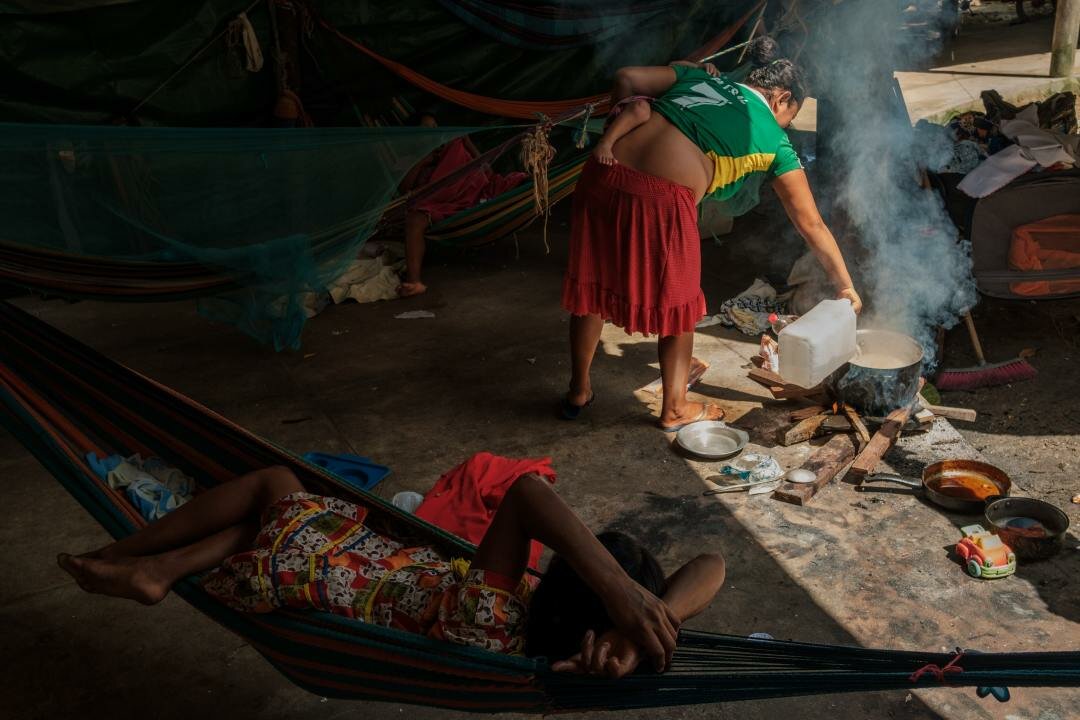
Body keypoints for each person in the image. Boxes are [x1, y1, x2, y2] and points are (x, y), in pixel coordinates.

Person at [57, 465, 725, 677]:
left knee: (276, 484)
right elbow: (713, 564)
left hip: (326, 577)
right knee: (284, 516)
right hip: (363, 564)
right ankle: (162, 568)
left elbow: (526, 492)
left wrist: (614, 587)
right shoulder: (544, 635)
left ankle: (131, 553)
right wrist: (641, 626)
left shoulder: (489, 615)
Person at [561, 37, 862, 430]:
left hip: (602, 175)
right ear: (781, 98)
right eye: (792, 116)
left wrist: (615, 124)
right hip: (662, 200)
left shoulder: (698, 78)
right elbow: (811, 224)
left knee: (592, 289)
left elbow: (626, 78)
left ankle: (578, 390)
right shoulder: (773, 138)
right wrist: (846, 287)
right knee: (680, 308)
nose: (787, 126)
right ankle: (674, 409)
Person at [397, 112, 528, 297]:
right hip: (438, 205)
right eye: (426, 130)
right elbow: (404, 189)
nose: (433, 133)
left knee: (518, 183)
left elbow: (484, 167)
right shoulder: (408, 158)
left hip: (474, 197)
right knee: (414, 220)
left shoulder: (451, 146)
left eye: (435, 128)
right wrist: (423, 161)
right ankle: (414, 282)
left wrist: (465, 142)